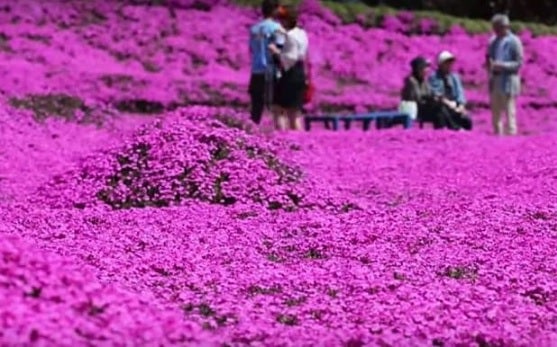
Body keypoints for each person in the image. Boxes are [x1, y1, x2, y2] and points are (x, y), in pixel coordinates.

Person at [268, 5, 309, 130]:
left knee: (279, 110)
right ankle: (300, 145)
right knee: (295, 113)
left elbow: (290, 58)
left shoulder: (290, 36)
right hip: (300, 72)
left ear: (286, 20)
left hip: (289, 74)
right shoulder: (302, 33)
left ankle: (284, 143)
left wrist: (275, 51)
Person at [486, 14, 524, 135]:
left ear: (504, 27)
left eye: (497, 28)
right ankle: (498, 138)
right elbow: (489, 57)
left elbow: (519, 63)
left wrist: (502, 65)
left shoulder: (514, 41)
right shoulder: (493, 41)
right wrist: (489, 64)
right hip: (495, 79)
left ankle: (511, 139)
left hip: (508, 81)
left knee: (509, 112)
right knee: (495, 113)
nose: (495, 31)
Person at [248, 0, 283, 125]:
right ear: (274, 10)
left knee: (256, 107)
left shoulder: (254, 29)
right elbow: (280, 49)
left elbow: (251, 49)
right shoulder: (276, 28)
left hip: (256, 69)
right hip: (271, 70)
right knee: (276, 107)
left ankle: (251, 134)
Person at [428, 51, 473, 131]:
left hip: (454, 104)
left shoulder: (454, 76)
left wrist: (461, 105)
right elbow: (436, 93)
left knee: (467, 119)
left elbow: (460, 92)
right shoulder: (434, 76)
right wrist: (449, 103)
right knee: (442, 110)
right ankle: (456, 129)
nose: (449, 65)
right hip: (442, 104)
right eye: (447, 62)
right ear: (440, 64)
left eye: (450, 62)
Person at [400, 56, 448, 129]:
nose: (427, 70)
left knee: (441, 108)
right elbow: (417, 97)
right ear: (418, 69)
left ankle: (445, 129)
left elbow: (429, 92)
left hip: (423, 107)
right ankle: (444, 129)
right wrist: (431, 98)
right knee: (439, 109)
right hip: (415, 109)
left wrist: (436, 96)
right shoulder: (411, 81)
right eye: (425, 68)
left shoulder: (424, 80)